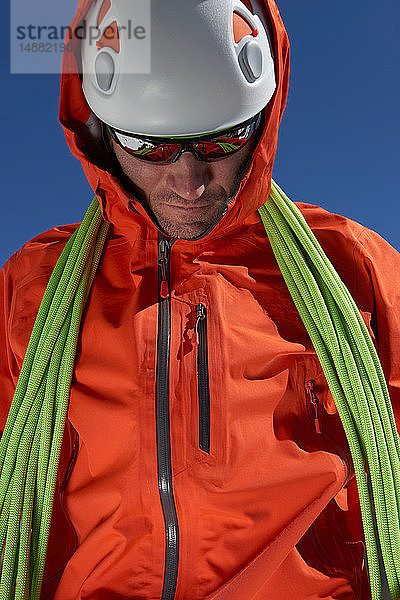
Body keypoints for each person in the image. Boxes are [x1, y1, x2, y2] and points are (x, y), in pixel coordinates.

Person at [0, 0, 399, 599]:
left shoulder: (355, 268)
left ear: (260, 120)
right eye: (153, 147)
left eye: (219, 141)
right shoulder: (31, 287)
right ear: (103, 133)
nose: (187, 182)